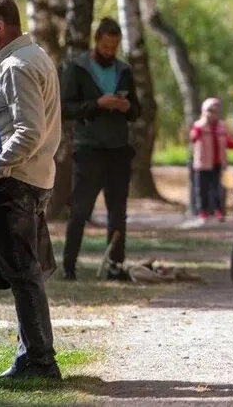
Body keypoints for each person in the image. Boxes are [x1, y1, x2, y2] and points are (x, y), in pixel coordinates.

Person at [0, 0, 63, 379]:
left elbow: (28, 132)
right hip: (31, 179)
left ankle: (40, 361)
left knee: (22, 273)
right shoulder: (31, 56)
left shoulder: (17, 66)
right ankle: (30, 356)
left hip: (16, 182)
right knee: (26, 272)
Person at [60, 18, 141, 282]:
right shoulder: (78, 68)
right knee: (80, 209)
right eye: (105, 46)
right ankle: (69, 266)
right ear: (97, 41)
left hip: (118, 149)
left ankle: (115, 266)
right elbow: (66, 108)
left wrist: (127, 108)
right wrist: (97, 104)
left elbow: (138, 110)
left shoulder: (124, 70)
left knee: (118, 211)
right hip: (89, 149)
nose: (109, 51)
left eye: (114, 47)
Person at [190, 98, 233, 222]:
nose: (212, 113)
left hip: (219, 163)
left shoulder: (221, 127)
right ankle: (203, 212)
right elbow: (193, 138)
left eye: (216, 111)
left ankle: (219, 212)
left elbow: (228, 142)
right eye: (210, 110)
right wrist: (200, 128)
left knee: (219, 188)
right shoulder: (199, 125)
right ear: (204, 111)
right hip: (203, 163)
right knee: (202, 189)